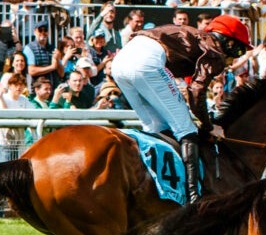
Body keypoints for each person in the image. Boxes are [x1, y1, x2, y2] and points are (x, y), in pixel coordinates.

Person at [108, 13, 252, 193]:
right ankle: (193, 196)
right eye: (239, 51)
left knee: (156, 127)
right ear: (229, 42)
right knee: (187, 129)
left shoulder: (197, 37)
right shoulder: (215, 50)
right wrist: (208, 126)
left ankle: (151, 185)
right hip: (146, 62)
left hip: (121, 61)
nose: (236, 58)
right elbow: (197, 91)